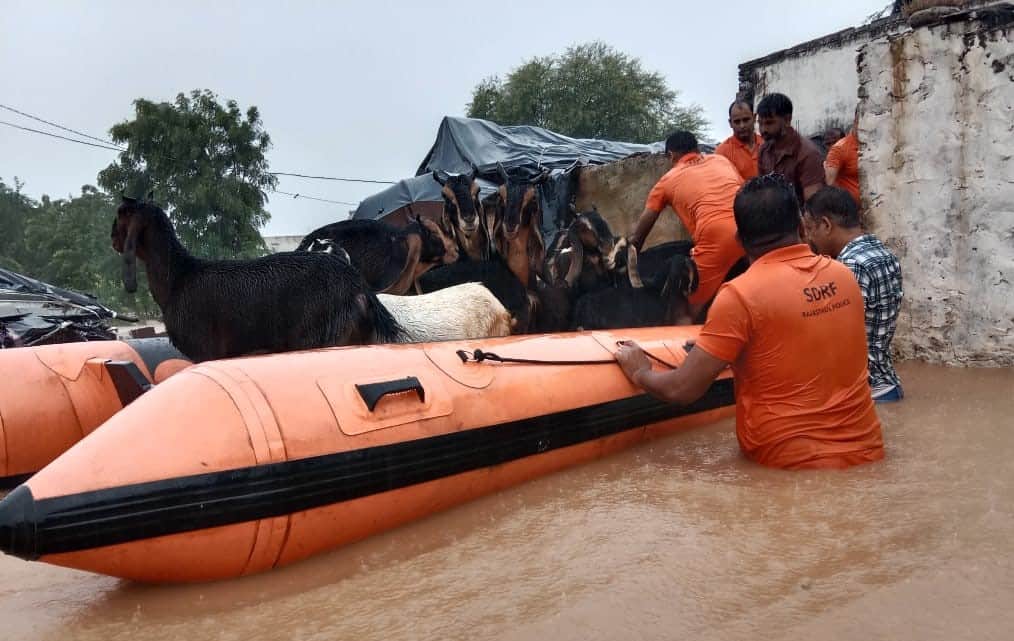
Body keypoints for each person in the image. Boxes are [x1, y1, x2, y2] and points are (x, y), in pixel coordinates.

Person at [615, 174, 884, 470]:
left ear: (739, 240)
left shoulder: (739, 296)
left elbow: (682, 389)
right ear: (800, 226)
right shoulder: (843, 277)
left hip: (785, 467)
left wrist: (640, 373)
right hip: (868, 452)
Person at [628, 131, 746, 321]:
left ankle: (683, 344)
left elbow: (638, 237)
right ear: (697, 149)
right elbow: (743, 192)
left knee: (686, 309)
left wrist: (627, 268)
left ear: (671, 156)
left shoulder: (666, 180)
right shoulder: (721, 161)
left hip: (716, 237)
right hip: (751, 229)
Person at [803, 186, 904, 402]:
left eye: (811, 229)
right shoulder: (885, 254)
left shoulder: (849, 266)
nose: (810, 238)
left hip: (864, 394)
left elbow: (836, 337)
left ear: (826, 225)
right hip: (886, 384)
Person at [756, 93, 825, 204]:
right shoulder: (764, 151)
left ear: (787, 120)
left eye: (769, 123)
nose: (763, 129)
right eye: (760, 124)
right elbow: (761, 192)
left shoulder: (808, 154)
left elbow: (813, 205)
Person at [715, 101, 764, 180]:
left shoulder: (767, 144)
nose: (742, 126)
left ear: (754, 118)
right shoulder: (722, 153)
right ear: (730, 123)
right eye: (737, 122)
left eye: (746, 120)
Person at [824, 110, 861, 206]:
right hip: (851, 212)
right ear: (855, 121)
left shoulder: (875, 145)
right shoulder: (839, 149)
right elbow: (830, 186)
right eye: (827, 144)